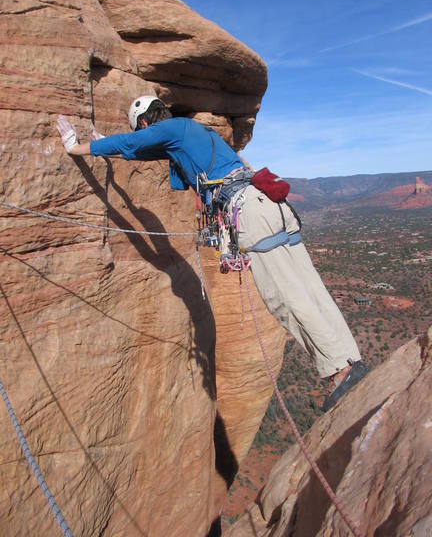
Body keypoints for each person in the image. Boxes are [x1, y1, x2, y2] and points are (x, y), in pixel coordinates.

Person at [56, 96, 368, 410]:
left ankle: (340, 370)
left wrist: (76, 147)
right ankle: (349, 358)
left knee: (285, 298)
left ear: (146, 123)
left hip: (251, 212)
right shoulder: (190, 132)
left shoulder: (173, 129)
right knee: (309, 287)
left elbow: (132, 143)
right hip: (273, 206)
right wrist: (109, 145)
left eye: (142, 131)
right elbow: (141, 150)